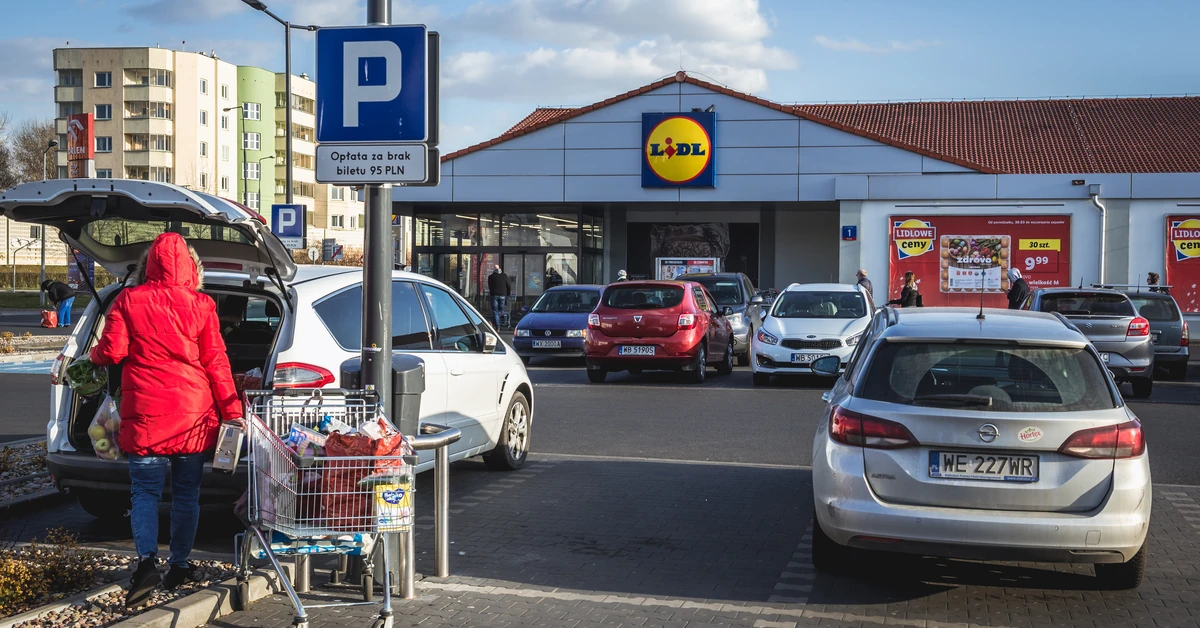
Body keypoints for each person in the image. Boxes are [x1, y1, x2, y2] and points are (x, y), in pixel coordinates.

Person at [89, 233, 242, 609]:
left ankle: (145, 564)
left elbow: (112, 351)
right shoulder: (202, 305)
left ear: (148, 266)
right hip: (193, 415)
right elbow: (216, 363)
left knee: (144, 493)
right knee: (187, 494)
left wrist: (93, 356)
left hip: (145, 415)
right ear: (192, 268)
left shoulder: (128, 300)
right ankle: (180, 564)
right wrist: (233, 411)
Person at [487, 265, 511, 329]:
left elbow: (490, 286)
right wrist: (508, 294)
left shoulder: (491, 277)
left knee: (495, 311)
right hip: (503, 295)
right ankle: (495, 324)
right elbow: (508, 285)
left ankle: (496, 325)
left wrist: (492, 292)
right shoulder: (504, 276)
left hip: (494, 295)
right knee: (501, 310)